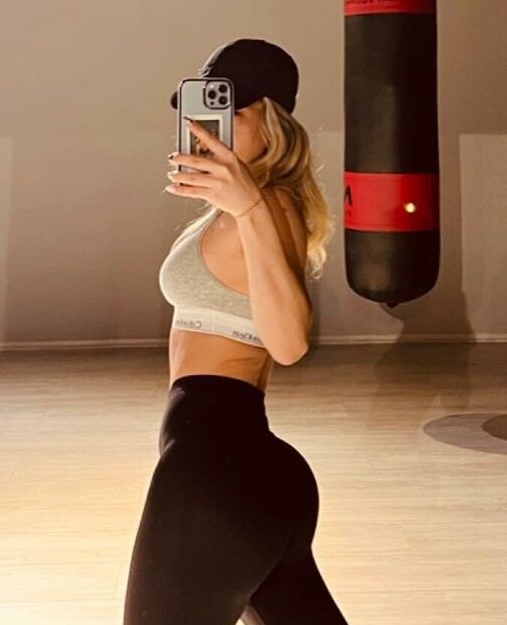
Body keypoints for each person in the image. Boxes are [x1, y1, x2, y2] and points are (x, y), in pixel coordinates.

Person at [122, 39, 349, 625]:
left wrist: (247, 208)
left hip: (216, 473)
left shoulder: (268, 206)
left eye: (228, 112)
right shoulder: (242, 206)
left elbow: (289, 343)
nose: (204, 128)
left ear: (272, 122)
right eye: (199, 113)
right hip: (233, 471)